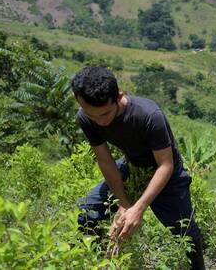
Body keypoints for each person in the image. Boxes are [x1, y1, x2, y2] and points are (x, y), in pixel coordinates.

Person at [71, 66, 205, 269]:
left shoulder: (148, 115)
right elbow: (105, 161)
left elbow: (165, 165)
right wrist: (123, 203)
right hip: (131, 165)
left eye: (105, 114)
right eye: (93, 116)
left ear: (119, 97)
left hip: (165, 173)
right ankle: (97, 261)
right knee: (88, 210)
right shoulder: (85, 117)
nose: (100, 121)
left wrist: (138, 208)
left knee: (186, 233)